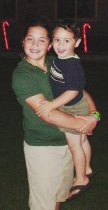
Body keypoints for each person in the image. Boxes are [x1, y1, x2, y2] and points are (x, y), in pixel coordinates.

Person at [12, 16, 100, 210]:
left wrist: (93, 115)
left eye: (41, 40)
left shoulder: (58, 63)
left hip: (68, 145)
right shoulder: (23, 75)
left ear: (49, 44)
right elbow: (47, 114)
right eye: (30, 39)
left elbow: (80, 91)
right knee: (44, 205)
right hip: (44, 148)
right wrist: (82, 124)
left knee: (57, 200)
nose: (35, 44)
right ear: (23, 41)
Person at [35, 19, 97, 201]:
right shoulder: (62, 60)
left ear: (77, 43)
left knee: (74, 145)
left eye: (66, 41)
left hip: (72, 107)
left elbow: (73, 90)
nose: (60, 45)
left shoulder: (70, 64)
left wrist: (52, 105)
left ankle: (81, 178)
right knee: (83, 140)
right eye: (56, 40)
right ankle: (87, 167)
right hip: (78, 104)